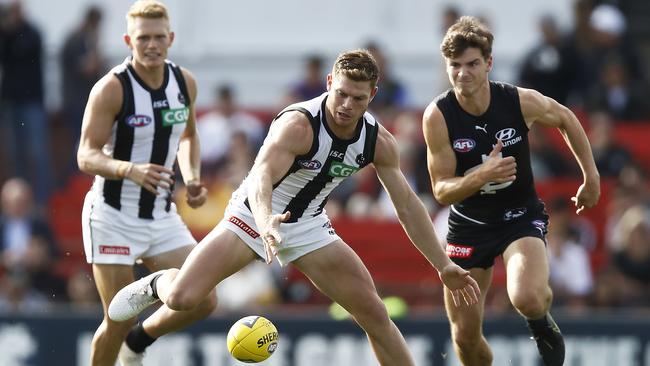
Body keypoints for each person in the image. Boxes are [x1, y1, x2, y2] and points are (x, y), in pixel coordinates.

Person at [108, 49, 480, 366]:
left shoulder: (378, 141)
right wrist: (267, 219)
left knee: (375, 313)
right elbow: (261, 175)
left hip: (309, 226)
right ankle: (148, 309)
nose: (348, 106)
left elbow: (408, 208)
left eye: (359, 99)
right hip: (253, 215)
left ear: (373, 96)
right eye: (343, 94)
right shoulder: (298, 124)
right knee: (182, 298)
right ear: (330, 82)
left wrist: (443, 265)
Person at [422, 16, 600, 366]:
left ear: (488, 63)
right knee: (466, 339)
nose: (462, 74)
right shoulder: (438, 115)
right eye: (454, 66)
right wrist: (481, 174)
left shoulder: (517, 101)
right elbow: (441, 191)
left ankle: (540, 321)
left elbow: (565, 117)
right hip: (469, 224)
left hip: (519, 215)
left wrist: (590, 176)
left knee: (527, 298)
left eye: (472, 64)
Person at [76, 1, 216, 365]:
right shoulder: (111, 88)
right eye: (143, 38)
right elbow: (86, 155)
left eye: (158, 37)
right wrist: (129, 169)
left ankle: (139, 342)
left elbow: (188, 136)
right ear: (128, 41)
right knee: (118, 318)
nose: (151, 45)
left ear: (170, 38)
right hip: (112, 215)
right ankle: (129, 334)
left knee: (204, 298)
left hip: (159, 214)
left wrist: (193, 178)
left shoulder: (184, 82)